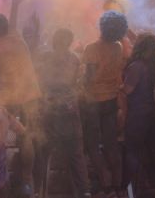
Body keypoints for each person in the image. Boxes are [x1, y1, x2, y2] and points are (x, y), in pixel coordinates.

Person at [0, 13, 41, 196]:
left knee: (1, 134)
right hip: (31, 94)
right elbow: (9, 28)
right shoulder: (17, 38)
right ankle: (27, 178)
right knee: (26, 135)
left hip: (12, 97)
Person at [36, 29, 90, 198]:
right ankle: (84, 192)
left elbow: (40, 81)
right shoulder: (74, 58)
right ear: (69, 41)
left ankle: (39, 191)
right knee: (75, 155)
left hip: (49, 107)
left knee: (44, 151)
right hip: (69, 108)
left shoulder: (45, 57)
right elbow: (76, 82)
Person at [82, 11, 127, 197]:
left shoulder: (91, 48)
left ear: (103, 26)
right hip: (111, 101)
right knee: (110, 143)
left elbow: (89, 78)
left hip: (93, 101)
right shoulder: (118, 47)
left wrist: (81, 83)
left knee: (92, 144)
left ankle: (105, 181)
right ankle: (118, 184)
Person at [118, 33, 155, 194]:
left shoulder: (136, 66)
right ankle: (153, 184)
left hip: (138, 115)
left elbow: (128, 90)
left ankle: (125, 187)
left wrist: (117, 86)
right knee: (153, 149)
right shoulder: (154, 65)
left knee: (132, 150)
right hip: (153, 114)